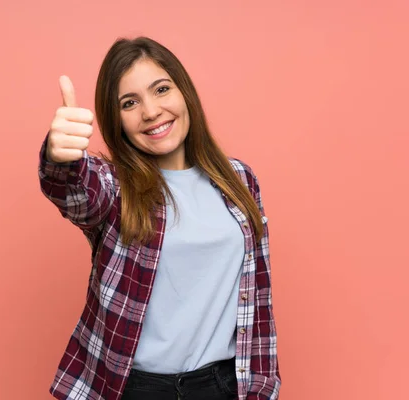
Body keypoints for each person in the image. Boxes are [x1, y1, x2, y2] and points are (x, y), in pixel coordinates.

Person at [38, 36, 281, 400]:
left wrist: (262, 388)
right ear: (115, 119)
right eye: (130, 102)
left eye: (161, 89)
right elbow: (76, 193)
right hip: (135, 388)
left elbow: (258, 299)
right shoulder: (116, 186)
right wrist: (61, 158)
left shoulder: (239, 180)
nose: (150, 111)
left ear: (184, 93)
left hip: (221, 386)